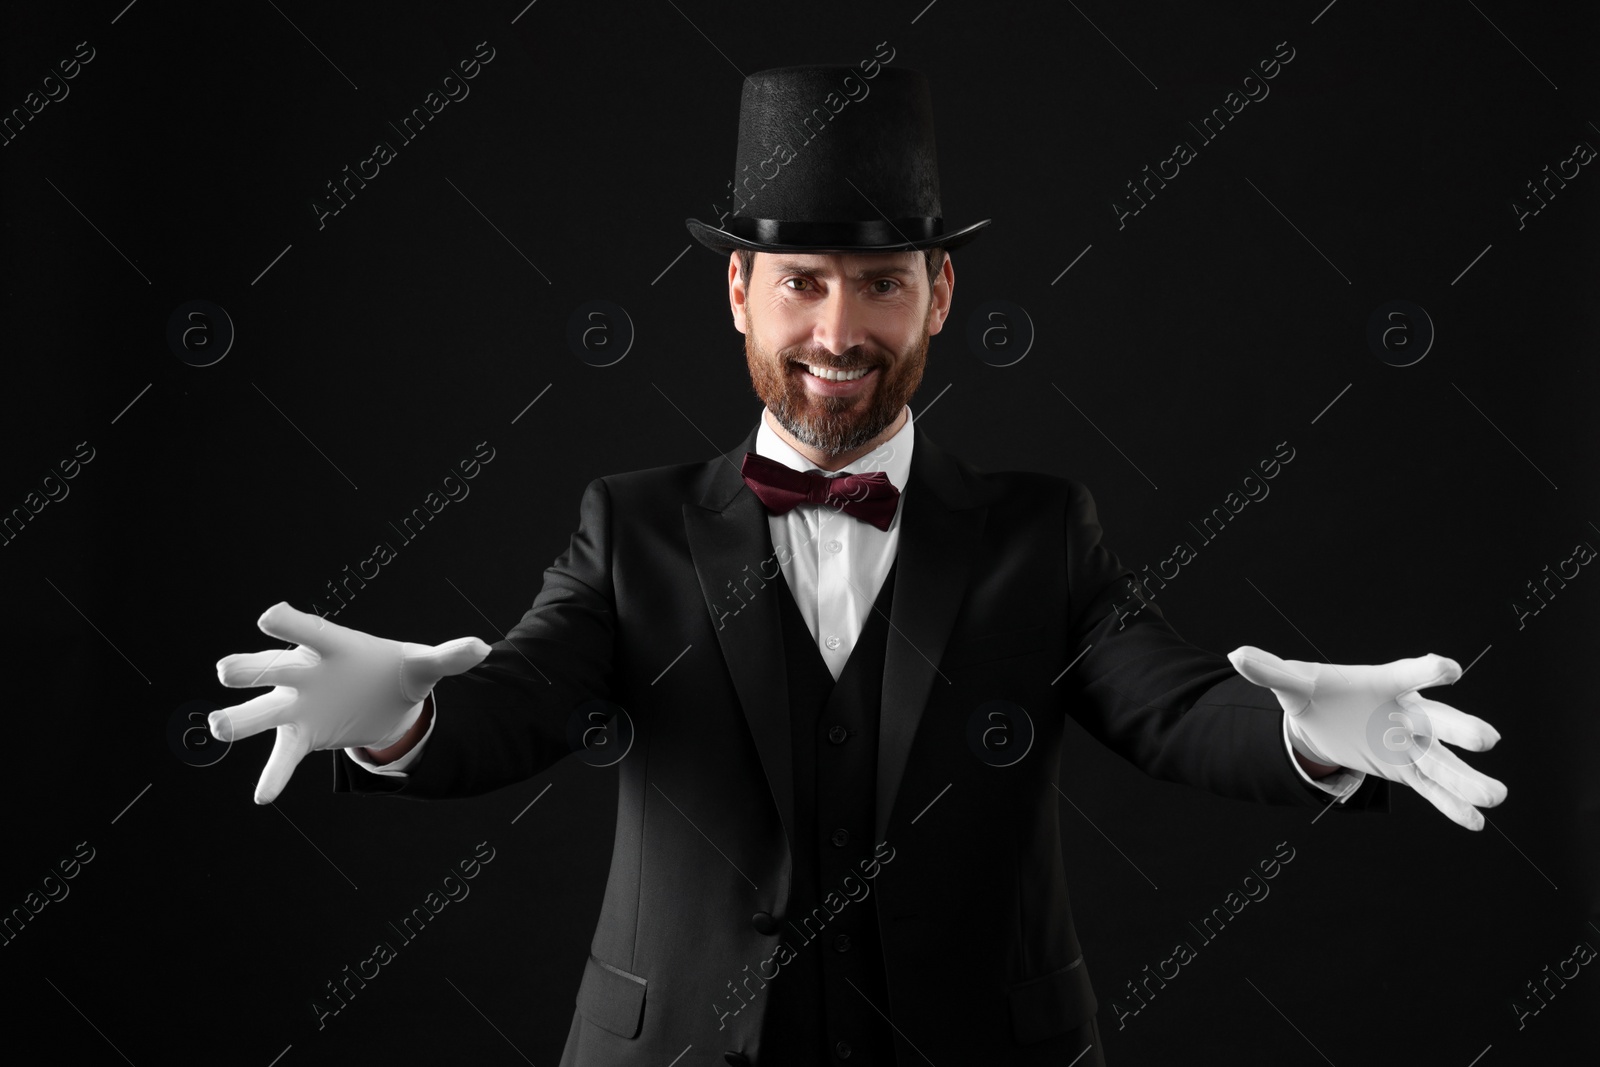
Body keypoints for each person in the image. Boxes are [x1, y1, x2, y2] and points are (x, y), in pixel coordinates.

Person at [210, 65, 1507, 1066]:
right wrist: (400, 717)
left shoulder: (1039, 530)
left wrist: (1312, 738)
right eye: (802, 285)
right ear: (737, 295)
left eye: (880, 285)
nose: (841, 329)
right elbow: (523, 700)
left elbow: (1168, 708)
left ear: (939, 295)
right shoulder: (633, 525)